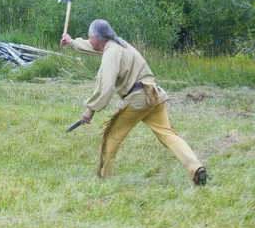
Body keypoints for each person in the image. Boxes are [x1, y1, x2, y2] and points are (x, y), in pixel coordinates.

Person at [60, 19, 207, 185]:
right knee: (168, 134)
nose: (88, 39)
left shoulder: (111, 53)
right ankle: (196, 167)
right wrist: (72, 42)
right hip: (154, 94)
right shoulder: (119, 45)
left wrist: (90, 109)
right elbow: (93, 47)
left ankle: (104, 178)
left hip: (138, 99)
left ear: (97, 37)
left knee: (112, 136)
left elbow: (105, 86)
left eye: (89, 36)